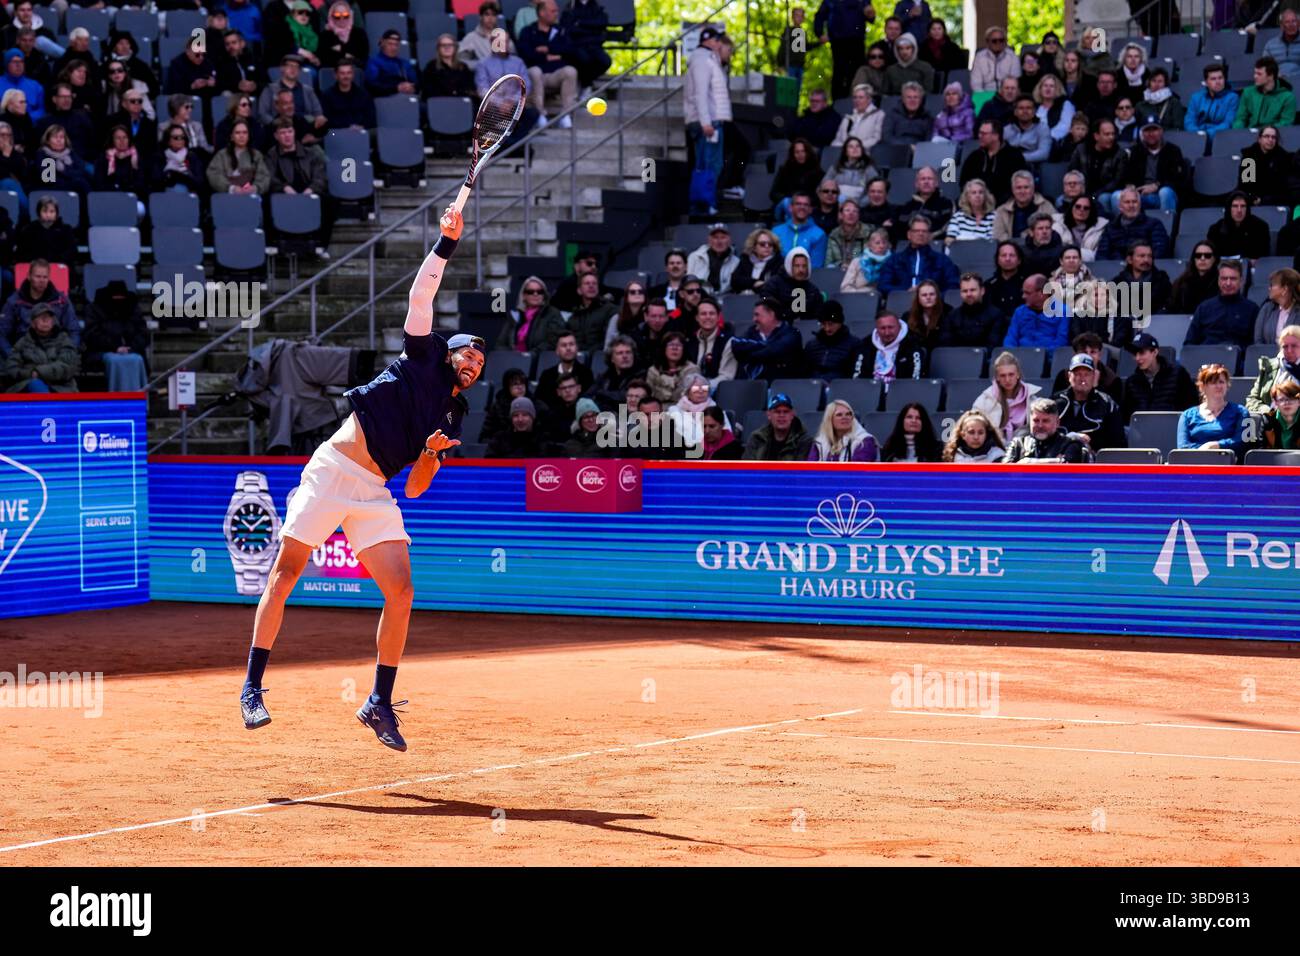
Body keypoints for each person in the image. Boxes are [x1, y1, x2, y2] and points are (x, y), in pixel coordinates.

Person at [238, 206, 484, 751]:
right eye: (469, 354)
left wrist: (428, 455)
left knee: (402, 591)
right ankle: (253, 687)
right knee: (286, 574)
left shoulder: (453, 415)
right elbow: (421, 297)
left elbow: (417, 488)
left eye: (480, 366)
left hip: (375, 492)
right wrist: (446, 243)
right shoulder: (422, 354)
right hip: (332, 471)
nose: (473, 366)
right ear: (450, 352)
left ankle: (378, 701)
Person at [1052, 352, 1126, 451]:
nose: (1082, 379)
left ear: (1094, 376)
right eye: (1077, 374)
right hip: (1059, 459)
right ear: (1069, 376)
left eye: (1086, 374)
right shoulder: (1055, 401)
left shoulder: (1107, 404)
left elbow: (1117, 443)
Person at [1121, 331, 1197, 423]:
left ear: (1155, 352)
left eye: (1141, 352)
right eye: (1135, 354)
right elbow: (1127, 417)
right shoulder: (1132, 382)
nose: (1137, 358)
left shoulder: (1178, 374)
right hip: (1143, 433)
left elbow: (1192, 408)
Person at [1177, 363, 1250, 458]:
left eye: (1221, 382)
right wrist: (1203, 451)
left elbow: (1247, 441)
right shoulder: (1186, 415)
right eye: (1213, 382)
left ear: (1227, 385)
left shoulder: (1243, 412)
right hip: (1195, 466)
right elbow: (1182, 447)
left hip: (1229, 466)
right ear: (1202, 387)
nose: (1218, 386)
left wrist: (1216, 445)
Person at [2, 301, 76, 393]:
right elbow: (11, 369)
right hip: (30, 386)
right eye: (41, 317)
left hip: (61, 388)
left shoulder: (64, 340)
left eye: (48, 317)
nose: (45, 320)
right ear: (33, 323)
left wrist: (39, 372)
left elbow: (67, 367)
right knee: (36, 385)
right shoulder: (22, 343)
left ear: (53, 322)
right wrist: (30, 374)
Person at [877, 214, 959, 293]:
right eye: (916, 231)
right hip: (902, 302)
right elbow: (883, 285)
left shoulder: (942, 260)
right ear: (909, 234)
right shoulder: (894, 260)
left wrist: (933, 295)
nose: (920, 234)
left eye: (924, 231)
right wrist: (905, 291)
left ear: (930, 235)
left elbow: (953, 285)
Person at [813, 0, 878, 100]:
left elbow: (871, 17)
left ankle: (859, 101)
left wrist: (871, 14)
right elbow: (820, 15)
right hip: (838, 42)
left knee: (858, 73)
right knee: (839, 74)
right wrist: (820, 33)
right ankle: (837, 105)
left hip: (857, 41)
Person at [1185, 260, 1257, 347]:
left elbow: (1254, 346)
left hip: (1238, 358)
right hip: (1207, 357)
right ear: (1218, 281)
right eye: (1224, 278)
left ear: (1241, 281)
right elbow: (1189, 344)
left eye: (1233, 279)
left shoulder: (1252, 309)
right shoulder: (1204, 308)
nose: (1228, 283)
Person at [729, 297, 804, 380]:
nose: (754, 319)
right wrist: (765, 347)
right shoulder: (752, 331)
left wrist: (749, 355)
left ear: (771, 315)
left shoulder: (791, 333)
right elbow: (736, 345)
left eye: (757, 315)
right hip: (751, 386)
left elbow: (774, 351)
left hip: (782, 385)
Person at [973, 350, 1041, 442]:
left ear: (1018, 374)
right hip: (993, 448)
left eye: (1011, 374)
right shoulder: (984, 400)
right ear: (997, 377)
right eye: (1003, 376)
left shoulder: (1031, 398)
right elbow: (975, 426)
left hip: (1024, 447)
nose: (1007, 379)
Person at [959, 119, 1028, 206]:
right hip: (976, 203)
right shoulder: (974, 156)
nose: (980, 136)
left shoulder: (1014, 156)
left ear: (996, 136)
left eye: (984, 134)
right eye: (979, 133)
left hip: (1005, 205)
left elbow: (1020, 183)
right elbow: (964, 183)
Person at [1002, 397, 1089, 462]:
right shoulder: (1018, 444)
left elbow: (1068, 468)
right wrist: (1055, 461)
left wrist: (1027, 462)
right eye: (1036, 421)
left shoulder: (1070, 444)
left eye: (1045, 421)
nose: (1040, 425)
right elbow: (1004, 471)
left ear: (1057, 422)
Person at [1096, 187, 1171, 260]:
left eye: (1134, 202)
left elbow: (1159, 253)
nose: (1131, 205)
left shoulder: (1154, 224)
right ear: (1120, 206)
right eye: (1127, 202)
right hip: (1115, 269)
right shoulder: (1110, 228)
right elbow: (1101, 255)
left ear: (1140, 205)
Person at [849, 310, 922, 383]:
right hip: (870, 391)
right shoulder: (865, 346)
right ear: (877, 329)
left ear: (899, 327)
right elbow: (857, 378)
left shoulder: (912, 345)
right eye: (882, 328)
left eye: (890, 327)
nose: (887, 333)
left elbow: (914, 380)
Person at [497, 275, 566, 352]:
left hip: (541, 361)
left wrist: (530, 356)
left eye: (540, 292)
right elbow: (500, 344)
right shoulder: (515, 316)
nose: (535, 294)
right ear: (524, 295)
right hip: (514, 361)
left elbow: (553, 342)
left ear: (544, 295)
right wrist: (512, 355)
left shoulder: (552, 313)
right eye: (530, 292)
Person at [1245, 324, 1300, 414]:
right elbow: (1252, 400)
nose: (1289, 350)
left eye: (1294, 346)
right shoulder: (1269, 367)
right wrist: (1270, 411)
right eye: (1285, 346)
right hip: (1273, 422)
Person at [942, 273, 1006, 349]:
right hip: (956, 358)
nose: (969, 294)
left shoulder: (996, 315)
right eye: (965, 291)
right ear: (960, 293)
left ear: (982, 291)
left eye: (972, 290)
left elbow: (993, 346)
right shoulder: (952, 316)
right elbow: (946, 346)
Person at [744, 391, 814, 460]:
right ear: (769, 415)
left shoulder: (804, 441)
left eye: (786, 411)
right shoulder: (757, 438)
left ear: (792, 415)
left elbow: (800, 470)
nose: (781, 415)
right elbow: (746, 468)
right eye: (777, 411)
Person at [208, 118, 270, 195]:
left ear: (249, 136)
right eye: (237, 133)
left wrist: (255, 188)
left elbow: (264, 176)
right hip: (227, 198)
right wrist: (231, 188)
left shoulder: (256, 155)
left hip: (251, 198)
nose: (241, 136)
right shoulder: (221, 155)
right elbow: (214, 175)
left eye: (245, 133)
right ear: (232, 137)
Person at [1004, 274, 1068, 349]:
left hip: (1048, 357)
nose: (1023, 296)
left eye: (1027, 293)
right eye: (1023, 292)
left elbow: (1061, 342)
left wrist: (1040, 356)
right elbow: (1010, 338)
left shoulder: (1062, 311)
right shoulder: (1019, 312)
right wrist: (1012, 355)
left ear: (1041, 293)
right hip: (1020, 356)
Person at [559, 0, 612, 88]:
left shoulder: (596, 8)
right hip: (577, 46)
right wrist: (590, 28)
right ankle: (585, 84)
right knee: (584, 59)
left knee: (605, 61)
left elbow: (602, 22)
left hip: (594, 45)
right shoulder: (570, 8)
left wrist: (580, 23)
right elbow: (569, 29)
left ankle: (585, 83)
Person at [807, 399, 880, 461]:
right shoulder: (820, 442)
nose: (845, 417)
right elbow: (810, 469)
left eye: (848, 414)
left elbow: (857, 472)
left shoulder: (864, 441)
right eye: (839, 415)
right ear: (829, 420)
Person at [1207, 191, 1270, 262]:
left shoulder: (1261, 228)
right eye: (1235, 206)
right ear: (1229, 208)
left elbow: (1264, 259)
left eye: (1243, 206)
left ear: (1247, 208)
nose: (1239, 210)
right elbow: (1212, 259)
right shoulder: (1216, 230)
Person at [770, 139, 825, 220]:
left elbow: (820, 196)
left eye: (803, 151)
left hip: (808, 206)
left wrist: (803, 202)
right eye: (797, 152)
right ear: (793, 154)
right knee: (786, 202)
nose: (800, 155)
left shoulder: (818, 172)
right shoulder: (784, 170)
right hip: (787, 204)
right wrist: (792, 200)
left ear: (808, 153)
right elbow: (773, 193)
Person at [1234, 56, 1296, 128]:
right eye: (1255, 73)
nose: (1255, 76)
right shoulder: (1247, 92)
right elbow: (1240, 119)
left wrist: (1265, 133)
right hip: (1249, 134)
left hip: (1272, 136)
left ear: (1271, 76)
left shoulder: (1288, 98)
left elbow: (1286, 124)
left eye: (1259, 74)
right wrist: (1238, 133)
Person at [804, 300, 860, 379]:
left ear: (840, 322)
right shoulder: (811, 345)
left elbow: (855, 374)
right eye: (823, 324)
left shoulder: (854, 344)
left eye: (831, 324)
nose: (827, 328)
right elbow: (805, 373)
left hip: (840, 388)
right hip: (813, 387)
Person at [993, 170, 1054, 242]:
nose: (1022, 191)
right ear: (1013, 190)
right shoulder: (1002, 211)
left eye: (1026, 187)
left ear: (1033, 189)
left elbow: (1053, 232)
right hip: (1012, 250)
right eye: (1019, 188)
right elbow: (998, 236)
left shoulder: (1046, 207)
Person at [772, 193, 828, 268]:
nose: (802, 207)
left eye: (806, 205)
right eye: (798, 204)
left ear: (810, 209)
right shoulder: (776, 231)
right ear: (790, 208)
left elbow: (816, 267)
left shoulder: (819, 234)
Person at [1184, 62, 1238, 141]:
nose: (1218, 82)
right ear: (1206, 82)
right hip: (1196, 137)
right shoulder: (1196, 97)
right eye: (1213, 79)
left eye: (1220, 78)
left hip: (1220, 138)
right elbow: (1189, 121)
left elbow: (1228, 123)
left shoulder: (1232, 98)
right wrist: (1197, 134)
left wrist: (1206, 134)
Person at [894, 165, 952, 237]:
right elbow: (901, 229)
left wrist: (925, 236)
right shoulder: (907, 207)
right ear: (917, 184)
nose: (926, 182)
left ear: (936, 183)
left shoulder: (946, 204)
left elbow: (946, 228)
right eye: (923, 179)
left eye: (930, 179)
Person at [646, 331, 700, 404]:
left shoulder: (692, 370)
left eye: (679, 345)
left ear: (684, 350)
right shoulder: (653, 370)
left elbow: (687, 396)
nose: (675, 348)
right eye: (671, 345)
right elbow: (649, 397)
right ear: (664, 348)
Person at [421, 33, 477, 100]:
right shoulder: (431, 66)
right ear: (438, 49)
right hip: (440, 102)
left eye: (450, 45)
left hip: (459, 102)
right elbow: (428, 89)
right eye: (443, 45)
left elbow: (469, 88)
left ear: (455, 48)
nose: (447, 47)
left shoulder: (463, 67)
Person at [1052, 194, 1106, 261]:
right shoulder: (1058, 226)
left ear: (1091, 211)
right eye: (1078, 206)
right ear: (1072, 208)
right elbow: (1054, 253)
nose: (1081, 210)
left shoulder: (1101, 228)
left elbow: (1097, 256)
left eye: (1086, 208)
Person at [365, 29, 417, 99]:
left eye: (396, 45)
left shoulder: (404, 63)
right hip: (385, 99)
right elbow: (372, 86)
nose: (393, 48)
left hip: (406, 98)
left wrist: (412, 87)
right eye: (390, 44)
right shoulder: (374, 62)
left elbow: (416, 82)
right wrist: (396, 88)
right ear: (382, 43)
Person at [830, 82, 883, 150]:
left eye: (861, 97)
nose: (857, 100)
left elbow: (876, 139)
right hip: (844, 154)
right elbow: (838, 139)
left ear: (869, 99)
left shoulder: (878, 115)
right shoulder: (848, 117)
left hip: (865, 153)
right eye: (855, 97)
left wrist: (855, 147)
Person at [730, 228, 783, 295]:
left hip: (768, 300)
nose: (767, 246)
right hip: (744, 299)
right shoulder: (745, 260)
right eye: (762, 244)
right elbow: (735, 281)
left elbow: (774, 285)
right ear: (754, 247)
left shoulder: (779, 262)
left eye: (770, 244)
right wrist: (754, 283)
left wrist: (752, 285)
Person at [1254, 269, 1300, 344]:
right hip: (1267, 355)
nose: (1269, 288)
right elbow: (1258, 340)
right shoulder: (1267, 309)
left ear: (1284, 289)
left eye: (1272, 285)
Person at [840, 226, 892, 291]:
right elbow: (845, 287)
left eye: (884, 243)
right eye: (877, 243)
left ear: (888, 245)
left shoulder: (892, 262)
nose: (881, 246)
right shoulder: (857, 261)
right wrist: (860, 295)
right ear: (869, 245)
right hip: (857, 296)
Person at [942, 410, 1006, 462]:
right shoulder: (953, 456)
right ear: (963, 435)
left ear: (986, 434)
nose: (976, 437)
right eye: (971, 432)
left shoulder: (997, 455)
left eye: (981, 433)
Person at [777, 7, 818, 90]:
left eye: (801, 16)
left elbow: (806, 47)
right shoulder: (788, 30)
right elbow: (782, 47)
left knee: (797, 89)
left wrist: (819, 42)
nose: (799, 18)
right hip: (790, 66)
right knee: (789, 89)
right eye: (797, 15)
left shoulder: (802, 32)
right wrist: (780, 64)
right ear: (792, 17)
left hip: (800, 66)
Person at [1004, 94, 1051, 164]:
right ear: (1015, 112)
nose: (1025, 111)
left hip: (1032, 167)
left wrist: (1019, 157)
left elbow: (1044, 154)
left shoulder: (1043, 128)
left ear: (1034, 111)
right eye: (1021, 108)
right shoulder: (1006, 129)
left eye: (1028, 108)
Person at [904, 279, 949, 351]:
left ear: (937, 296)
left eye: (932, 294)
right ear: (918, 298)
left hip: (941, 355)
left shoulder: (948, 313)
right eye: (924, 295)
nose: (928, 297)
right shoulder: (908, 316)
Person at [946, 179, 996, 244]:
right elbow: (949, 240)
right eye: (974, 193)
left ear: (985, 196)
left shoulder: (994, 217)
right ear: (968, 197)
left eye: (980, 192)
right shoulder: (958, 217)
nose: (977, 196)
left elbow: (993, 242)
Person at [882, 81, 932, 145]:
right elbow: (887, 137)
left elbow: (928, 140)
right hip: (895, 150)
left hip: (918, 151)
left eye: (916, 97)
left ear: (921, 100)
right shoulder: (892, 115)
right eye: (909, 97)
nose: (912, 100)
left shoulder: (927, 117)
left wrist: (917, 148)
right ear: (903, 99)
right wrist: (907, 147)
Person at [970, 25, 1018, 91]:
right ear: (987, 42)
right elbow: (976, 84)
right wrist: (983, 97)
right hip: (985, 94)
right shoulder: (980, 57)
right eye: (994, 41)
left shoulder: (1012, 56)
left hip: (1006, 94)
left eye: (1001, 40)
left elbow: (1015, 81)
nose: (998, 43)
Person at [1034, 74, 1075, 145]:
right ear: (1040, 89)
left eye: (1051, 86)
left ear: (1057, 89)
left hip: (1057, 145)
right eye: (1045, 86)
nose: (1048, 89)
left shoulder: (1065, 104)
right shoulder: (1035, 107)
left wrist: (1045, 139)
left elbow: (1065, 126)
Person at [826, 198, 869, 266]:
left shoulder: (867, 233)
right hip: (837, 272)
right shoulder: (834, 235)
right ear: (841, 214)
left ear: (858, 215)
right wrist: (841, 265)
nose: (851, 213)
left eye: (855, 211)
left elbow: (868, 259)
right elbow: (828, 262)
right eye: (847, 210)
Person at [1261, 379, 1300, 447]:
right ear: (1276, 402)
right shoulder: (1267, 420)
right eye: (1282, 399)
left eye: (1291, 398)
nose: (1287, 403)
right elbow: (1262, 452)